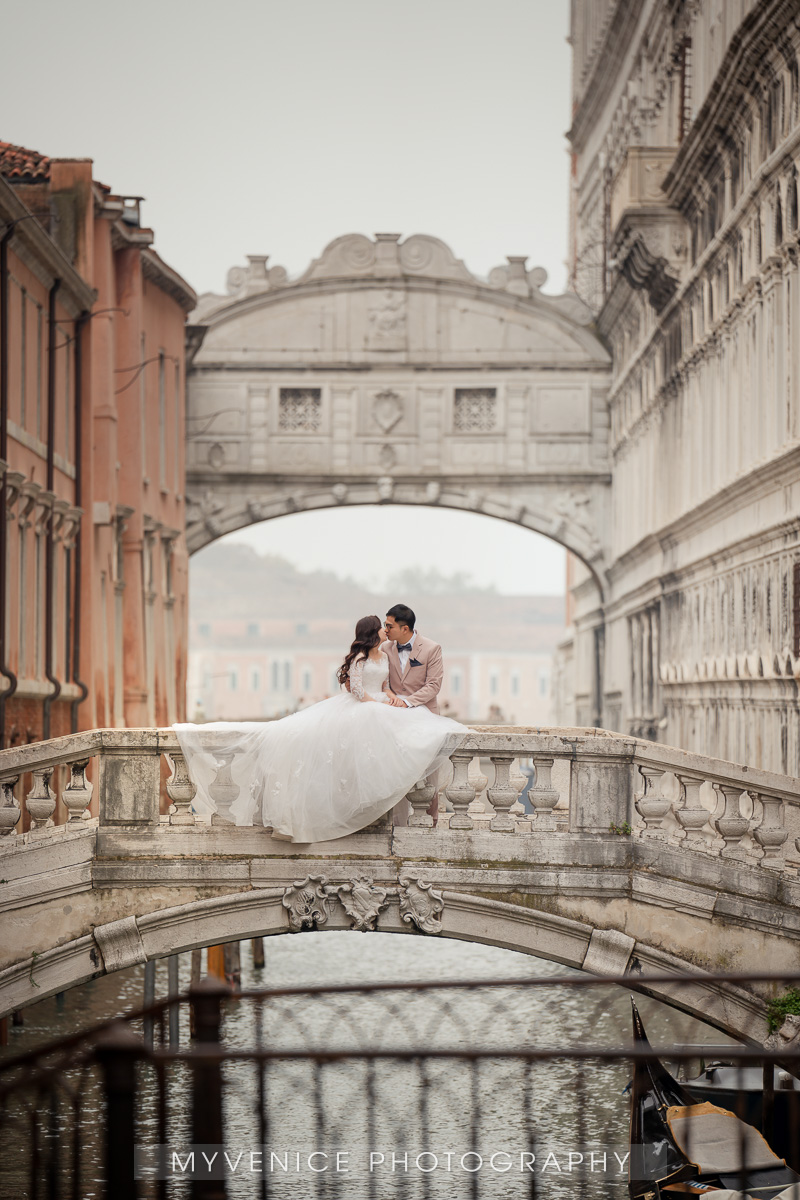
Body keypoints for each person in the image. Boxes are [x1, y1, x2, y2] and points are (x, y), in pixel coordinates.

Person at [173, 614, 465, 843]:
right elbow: (358, 690)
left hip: (381, 705)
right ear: (372, 632)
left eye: (387, 627)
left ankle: (406, 816)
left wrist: (391, 699)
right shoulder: (362, 658)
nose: (384, 632)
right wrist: (375, 704)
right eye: (381, 628)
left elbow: (387, 685)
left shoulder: (385, 653)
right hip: (362, 706)